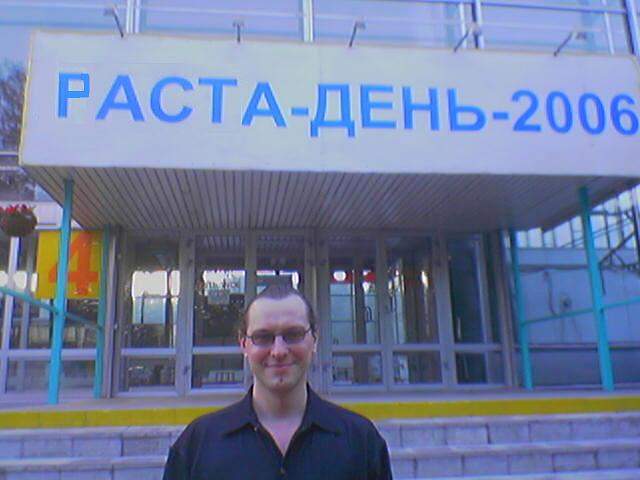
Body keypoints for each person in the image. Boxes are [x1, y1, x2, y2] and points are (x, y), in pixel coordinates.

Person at [163, 284, 393, 479]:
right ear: (244, 345)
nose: (279, 351)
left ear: (315, 340)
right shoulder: (196, 444)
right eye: (263, 337)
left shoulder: (362, 441)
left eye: (293, 334)